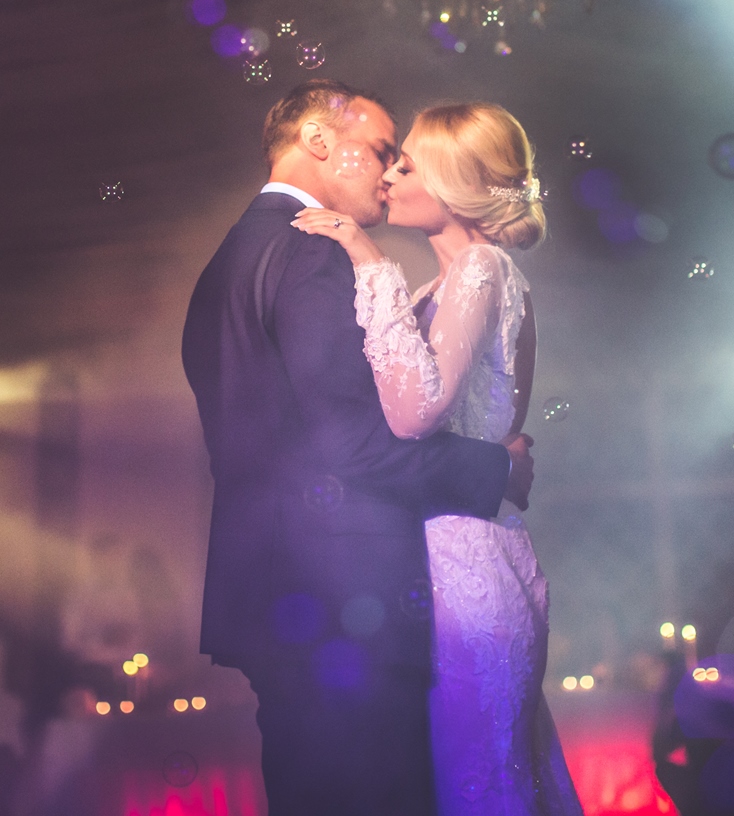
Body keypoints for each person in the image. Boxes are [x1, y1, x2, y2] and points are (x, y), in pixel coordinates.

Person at [182, 80, 533, 816]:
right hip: (344, 602)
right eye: (379, 150)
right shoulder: (311, 253)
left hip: (274, 596)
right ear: (316, 141)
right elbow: (353, 447)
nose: (389, 169)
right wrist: (496, 465)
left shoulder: (226, 260)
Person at [291, 101, 582, 815]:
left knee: (479, 780)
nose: (390, 175)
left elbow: (414, 412)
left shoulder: (483, 267)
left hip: (467, 569)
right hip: (451, 555)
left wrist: (368, 262)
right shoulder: (438, 289)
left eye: (408, 165)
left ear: (454, 185)